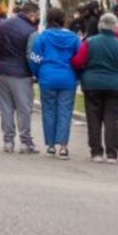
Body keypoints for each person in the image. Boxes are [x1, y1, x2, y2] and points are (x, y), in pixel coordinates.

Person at [73, 13, 118, 163]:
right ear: (116, 27)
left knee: (93, 118)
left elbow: (77, 61)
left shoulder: (89, 42)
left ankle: (96, 153)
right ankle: (112, 154)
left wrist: (83, 75)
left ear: (100, 26)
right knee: (112, 119)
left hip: (92, 85)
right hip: (116, 86)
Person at [30, 8, 81, 159]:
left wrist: (37, 73)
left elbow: (35, 57)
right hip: (68, 78)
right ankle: (63, 147)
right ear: (63, 20)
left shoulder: (43, 36)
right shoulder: (73, 38)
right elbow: (79, 60)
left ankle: (51, 145)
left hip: (47, 77)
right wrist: (77, 76)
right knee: (65, 112)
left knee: (49, 111)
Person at [0, 3, 41, 154]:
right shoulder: (31, 31)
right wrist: (35, 73)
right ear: (32, 14)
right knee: (24, 109)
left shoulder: (3, 25)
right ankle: (26, 142)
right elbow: (31, 55)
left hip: (1, 70)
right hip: (21, 72)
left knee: (6, 108)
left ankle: (8, 141)